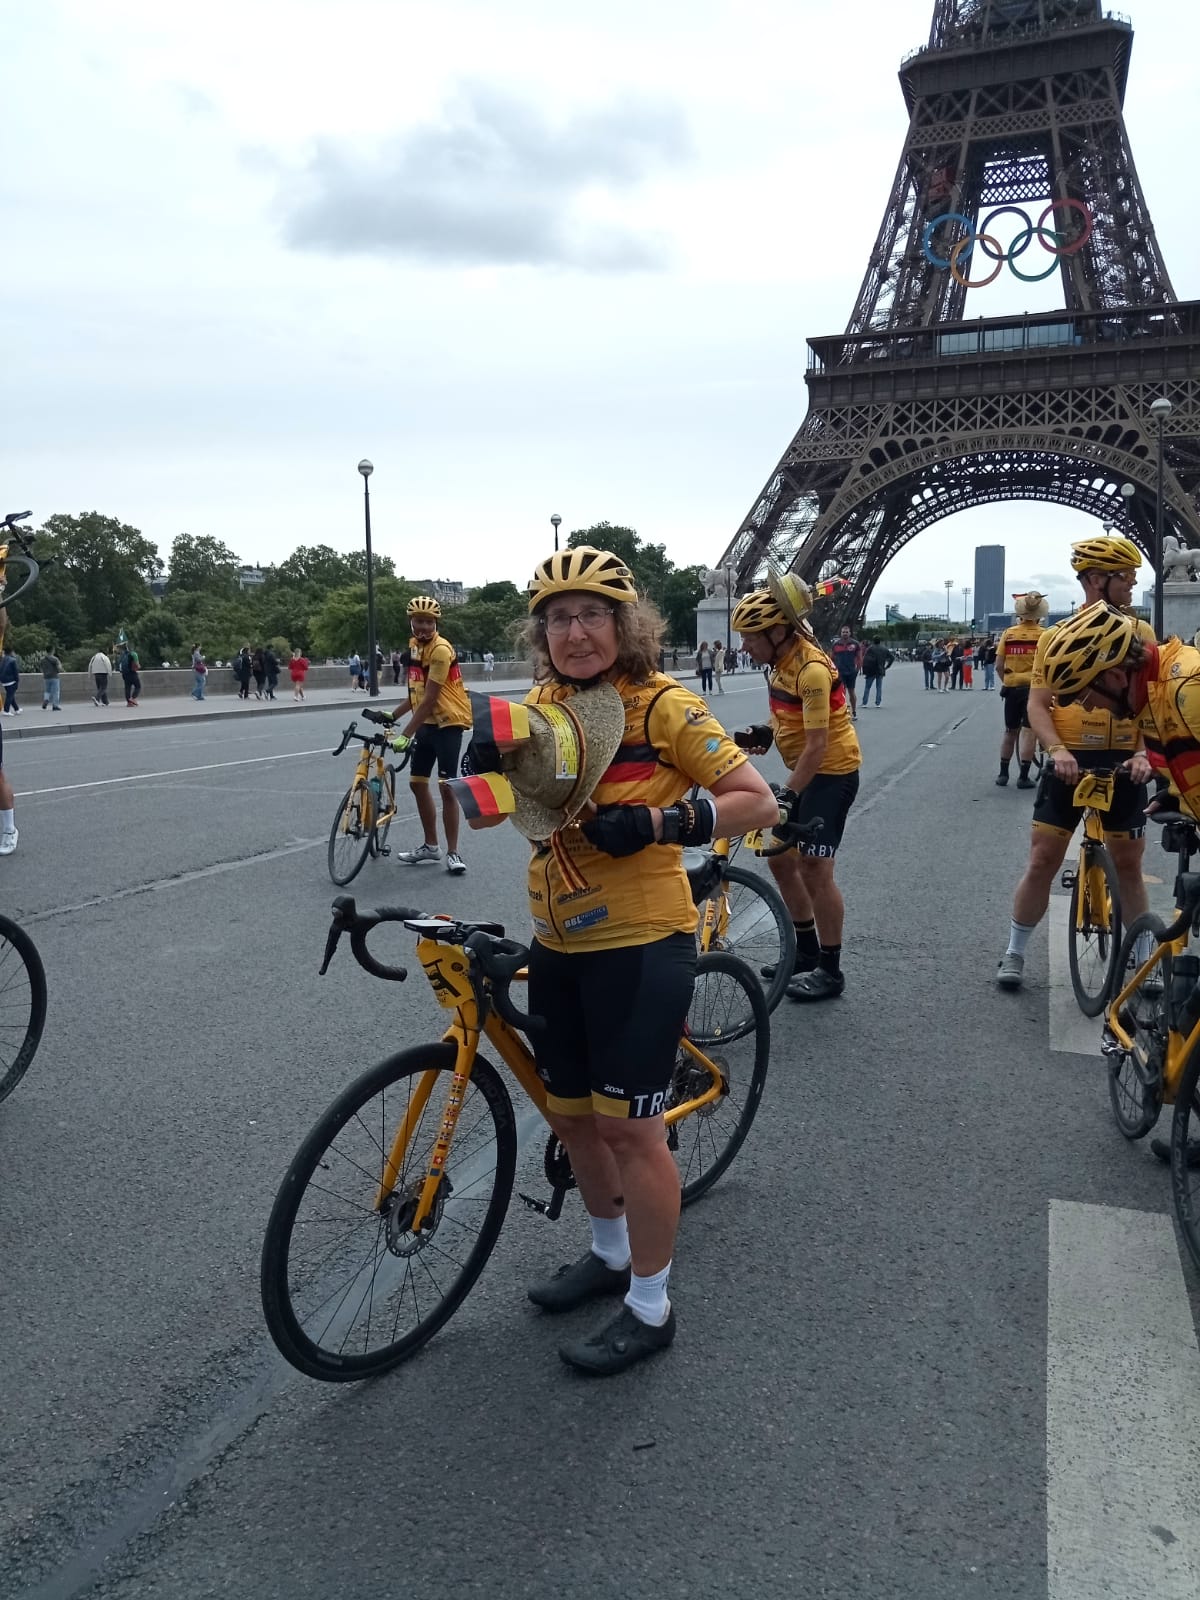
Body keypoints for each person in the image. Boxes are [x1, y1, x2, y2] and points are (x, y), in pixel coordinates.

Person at [468, 544, 777, 1374]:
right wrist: (481, 775)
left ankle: (651, 1305)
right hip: (557, 938)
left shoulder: (666, 706)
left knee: (632, 1131)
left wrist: (659, 824)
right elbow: (498, 817)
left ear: (625, 624)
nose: (575, 633)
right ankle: (610, 1256)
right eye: (558, 619)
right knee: (571, 1118)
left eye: (592, 616)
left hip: (640, 943)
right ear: (542, 634)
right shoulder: (540, 707)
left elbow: (756, 801)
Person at [996, 539, 1156, 989]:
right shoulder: (1055, 637)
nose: (1133, 584)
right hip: (1069, 758)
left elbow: (1153, 699)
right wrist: (1056, 751)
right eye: (1125, 577)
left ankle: (1144, 957)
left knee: (1129, 864)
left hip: (1124, 758)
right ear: (1096, 580)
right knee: (1042, 859)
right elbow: (1038, 704)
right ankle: (1015, 951)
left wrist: (1143, 752)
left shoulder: (1141, 633)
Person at [734, 581, 863, 1000]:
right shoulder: (780, 663)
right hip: (807, 773)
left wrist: (787, 794)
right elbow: (789, 720)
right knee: (780, 861)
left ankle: (831, 969)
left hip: (833, 773)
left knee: (814, 867)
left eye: (750, 638)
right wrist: (765, 731)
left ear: (777, 632)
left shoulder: (811, 671)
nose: (744, 646)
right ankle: (806, 953)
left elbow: (817, 745)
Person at [389, 595, 473, 874]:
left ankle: (453, 852)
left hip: (448, 722)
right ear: (411, 622)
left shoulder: (440, 650)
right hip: (427, 722)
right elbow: (416, 694)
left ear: (436, 623)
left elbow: (430, 698)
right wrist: (393, 715)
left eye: (428, 622)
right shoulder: (415, 647)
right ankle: (430, 846)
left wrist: (406, 734)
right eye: (419, 621)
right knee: (417, 783)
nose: (423, 627)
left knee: (447, 788)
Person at [995, 592, 1048, 786]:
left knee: (1010, 731)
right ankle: (1023, 777)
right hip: (1034, 689)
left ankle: (1003, 774)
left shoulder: (1009, 634)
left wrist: (1007, 681)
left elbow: (999, 665)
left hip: (1012, 687)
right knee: (1028, 732)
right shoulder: (1044, 635)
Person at [829, 624, 862, 719]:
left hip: (851, 672)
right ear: (841, 633)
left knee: (851, 692)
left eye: (846, 632)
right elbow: (831, 659)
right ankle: (843, 712)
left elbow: (859, 658)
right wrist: (832, 670)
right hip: (840, 672)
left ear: (850, 633)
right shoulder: (835, 645)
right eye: (843, 632)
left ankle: (854, 711)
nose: (845, 634)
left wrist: (857, 670)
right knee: (842, 693)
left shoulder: (855, 644)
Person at [860, 637, 894, 707]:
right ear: (880, 641)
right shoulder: (884, 649)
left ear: (873, 641)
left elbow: (865, 659)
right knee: (879, 687)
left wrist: (864, 670)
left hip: (871, 670)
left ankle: (864, 703)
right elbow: (892, 657)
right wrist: (887, 666)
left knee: (867, 687)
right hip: (880, 670)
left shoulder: (870, 648)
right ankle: (878, 703)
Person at [118, 642, 141, 706]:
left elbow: (119, 664)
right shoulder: (133, 654)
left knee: (127, 688)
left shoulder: (122, 655)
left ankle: (129, 703)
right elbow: (137, 664)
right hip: (132, 673)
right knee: (138, 686)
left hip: (124, 674)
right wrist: (138, 666)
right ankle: (133, 698)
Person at [40, 646, 62, 711]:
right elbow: (59, 668)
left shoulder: (42, 659)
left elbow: (41, 668)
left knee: (47, 691)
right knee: (56, 692)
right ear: (52, 650)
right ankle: (55, 705)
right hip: (54, 677)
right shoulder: (55, 659)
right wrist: (59, 670)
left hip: (46, 677)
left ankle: (46, 700)